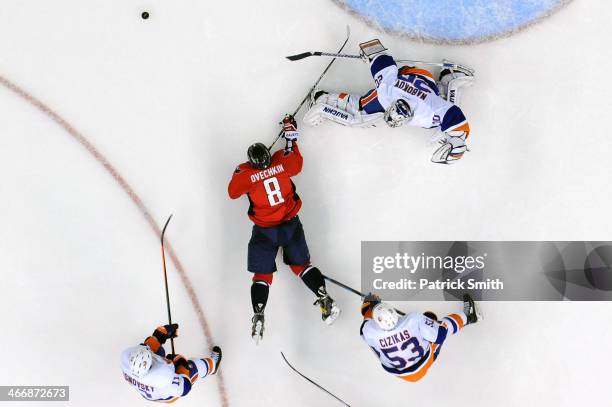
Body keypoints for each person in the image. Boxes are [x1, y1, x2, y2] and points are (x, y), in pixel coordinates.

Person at [228, 114, 341, 344]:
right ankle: (323, 297)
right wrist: (290, 135)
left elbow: (233, 192)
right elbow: (294, 158)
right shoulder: (281, 161)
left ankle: (259, 313)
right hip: (290, 224)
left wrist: (244, 171)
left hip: (264, 230)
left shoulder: (246, 175)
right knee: (302, 266)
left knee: (262, 275)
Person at [303, 39, 474, 164]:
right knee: (360, 107)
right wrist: (373, 56)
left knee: (439, 117)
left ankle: (449, 79)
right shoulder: (389, 96)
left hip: (418, 78)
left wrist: (372, 56)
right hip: (423, 79)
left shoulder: (400, 100)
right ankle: (322, 98)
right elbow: (376, 51)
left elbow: (377, 53)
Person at [359, 294, 480, 381]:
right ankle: (470, 317)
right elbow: (441, 335)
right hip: (422, 364)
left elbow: (366, 314)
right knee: (444, 327)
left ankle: (427, 327)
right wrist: (431, 324)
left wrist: (370, 305)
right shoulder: (413, 319)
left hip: (402, 374)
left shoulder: (369, 331)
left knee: (424, 329)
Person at [120, 323, 222, 402]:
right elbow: (185, 387)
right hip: (167, 394)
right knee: (192, 366)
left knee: (157, 349)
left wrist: (159, 335)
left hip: (149, 390)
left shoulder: (126, 358)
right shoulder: (163, 377)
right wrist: (181, 364)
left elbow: (144, 347)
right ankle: (213, 365)